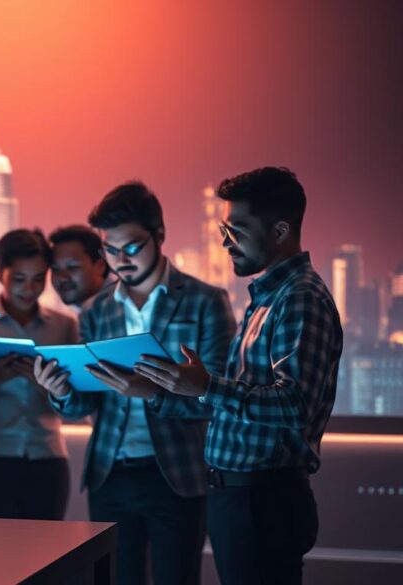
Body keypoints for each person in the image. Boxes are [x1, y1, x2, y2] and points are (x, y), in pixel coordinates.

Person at [135, 167, 342, 585]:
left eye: (236, 229)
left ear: (281, 230)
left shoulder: (299, 298)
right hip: (241, 498)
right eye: (222, 228)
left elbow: (295, 404)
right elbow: (238, 405)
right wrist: (161, 391)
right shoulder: (266, 297)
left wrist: (208, 385)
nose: (225, 241)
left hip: (263, 500)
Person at [35, 181, 236, 585]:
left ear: (159, 235)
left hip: (177, 475)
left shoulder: (204, 301)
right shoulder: (98, 310)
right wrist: (60, 393)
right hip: (111, 474)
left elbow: (218, 398)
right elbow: (86, 402)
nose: (120, 260)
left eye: (132, 248)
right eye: (110, 250)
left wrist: (153, 393)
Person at [0, 229, 79, 520]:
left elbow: (75, 409)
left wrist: (41, 384)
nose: (29, 289)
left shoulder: (64, 326)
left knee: (47, 558)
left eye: (38, 279)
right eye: (19, 279)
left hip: (48, 460)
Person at [48, 224, 110, 313]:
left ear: (100, 267)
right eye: (55, 269)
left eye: (72, 267)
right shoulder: (64, 316)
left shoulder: (123, 309)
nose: (62, 278)